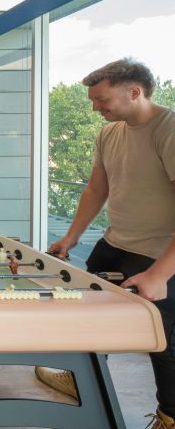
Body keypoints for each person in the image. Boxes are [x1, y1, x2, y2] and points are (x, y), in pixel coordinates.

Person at [38, 59, 175, 428]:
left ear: (135, 91)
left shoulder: (170, 129)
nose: (95, 107)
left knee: (164, 341)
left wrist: (160, 273)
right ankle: (82, 378)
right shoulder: (110, 133)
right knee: (90, 315)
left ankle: (170, 415)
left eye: (101, 99)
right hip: (116, 242)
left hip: (161, 255)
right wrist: (72, 236)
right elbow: (98, 187)